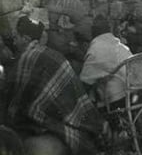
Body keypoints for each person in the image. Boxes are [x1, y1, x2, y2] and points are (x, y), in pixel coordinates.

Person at [5, 15, 105, 155]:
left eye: (16, 38)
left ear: (26, 39)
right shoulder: (49, 52)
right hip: (81, 122)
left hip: (63, 125)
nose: (14, 42)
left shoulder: (27, 58)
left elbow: (16, 102)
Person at [80, 15, 133, 109]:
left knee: (85, 88)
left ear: (92, 31)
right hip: (133, 93)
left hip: (117, 99)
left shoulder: (96, 49)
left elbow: (85, 80)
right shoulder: (121, 46)